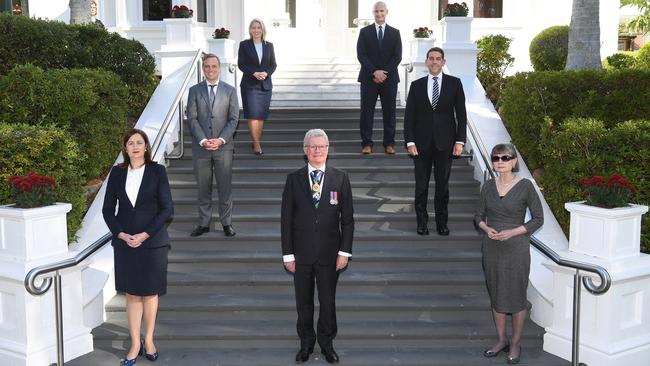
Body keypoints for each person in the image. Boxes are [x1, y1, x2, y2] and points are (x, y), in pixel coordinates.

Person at [281, 129, 354, 364]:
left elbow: (348, 220)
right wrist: (287, 254)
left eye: (321, 146)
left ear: (328, 149)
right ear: (305, 150)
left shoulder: (340, 178)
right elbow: (286, 220)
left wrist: (344, 252)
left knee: (328, 301)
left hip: (330, 254)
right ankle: (306, 343)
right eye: (312, 146)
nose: (317, 151)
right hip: (300, 255)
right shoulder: (293, 179)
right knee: (303, 302)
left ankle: (326, 343)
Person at [102, 129, 173, 366]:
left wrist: (144, 235)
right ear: (125, 148)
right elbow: (107, 210)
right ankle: (135, 343)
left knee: (150, 293)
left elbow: (167, 209)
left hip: (152, 243)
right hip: (125, 244)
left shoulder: (157, 171)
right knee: (132, 294)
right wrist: (121, 234)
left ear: (146, 147)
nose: (135, 146)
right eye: (130, 143)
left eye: (139, 142)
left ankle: (149, 340)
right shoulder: (117, 173)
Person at [474, 143, 544, 365]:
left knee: (515, 294)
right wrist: (486, 228)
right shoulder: (487, 187)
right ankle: (501, 340)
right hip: (492, 246)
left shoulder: (525, 187)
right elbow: (478, 216)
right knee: (496, 293)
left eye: (505, 157)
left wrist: (513, 231)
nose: (500, 162)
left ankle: (515, 342)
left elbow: (538, 219)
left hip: (516, 248)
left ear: (514, 161)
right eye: (496, 158)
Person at [403, 47, 467, 236]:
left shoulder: (455, 84)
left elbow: (461, 116)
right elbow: (409, 117)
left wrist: (460, 141)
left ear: (443, 62)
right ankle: (422, 223)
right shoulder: (416, 85)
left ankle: (442, 223)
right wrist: (410, 142)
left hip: (445, 144)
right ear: (426, 61)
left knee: (442, 186)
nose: (434, 62)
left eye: (438, 59)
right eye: (431, 58)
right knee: (421, 186)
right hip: (420, 145)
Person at [186, 53, 239, 238]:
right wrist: (203, 140)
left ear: (219, 68)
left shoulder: (230, 91)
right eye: (207, 66)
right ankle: (204, 223)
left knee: (225, 186)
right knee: (203, 187)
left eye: (214, 66)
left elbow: (233, 119)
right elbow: (191, 118)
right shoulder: (194, 90)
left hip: (223, 148)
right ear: (203, 68)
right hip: (201, 148)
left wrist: (220, 140)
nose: (210, 69)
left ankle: (227, 223)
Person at [356, 1, 402, 155]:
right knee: (366, 112)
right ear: (373, 13)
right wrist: (374, 72)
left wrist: (384, 73)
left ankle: (389, 143)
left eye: (382, 11)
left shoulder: (395, 33)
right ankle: (367, 143)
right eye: (376, 11)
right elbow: (361, 55)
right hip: (369, 79)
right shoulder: (364, 32)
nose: (379, 14)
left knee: (390, 112)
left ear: (386, 12)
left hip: (389, 80)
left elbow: (397, 57)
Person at [238, 18, 277, 155]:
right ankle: (256, 144)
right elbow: (241, 64)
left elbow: (273, 65)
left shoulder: (269, 45)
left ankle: (256, 140)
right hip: (250, 85)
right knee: (253, 115)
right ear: (250, 30)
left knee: (260, 116)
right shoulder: (244, 45)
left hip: (265, 86)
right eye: (253, 28)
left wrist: (266, 73)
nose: (256, 30)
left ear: (262, 30)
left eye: (258, 27)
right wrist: (254, 73)